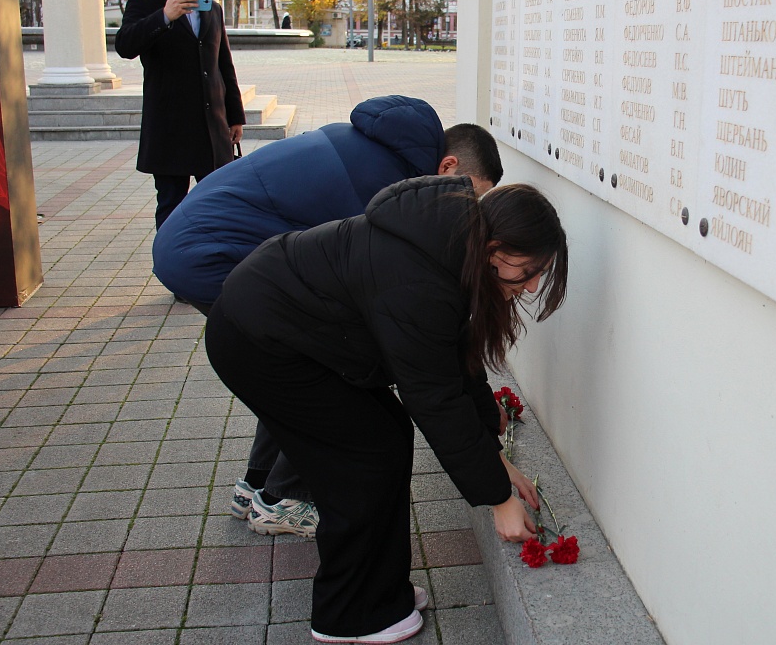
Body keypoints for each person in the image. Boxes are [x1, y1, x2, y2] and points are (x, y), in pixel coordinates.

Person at [205, 177, 568, 643]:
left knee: (386, 436)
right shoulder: (421, 279)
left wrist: (495, 459)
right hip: (257, 341)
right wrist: (498, 499)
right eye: (530, 270)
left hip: (287, 330)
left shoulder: (452, 246)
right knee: (362, 458)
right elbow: (435, 400)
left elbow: (453, 362)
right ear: (496, 248)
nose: (532, 284)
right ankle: (348, 616)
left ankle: (378, 593)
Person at [152, 96, 503, 537]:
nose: (466, 214)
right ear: (448, 166)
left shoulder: (376, 148)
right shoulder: (386, 187)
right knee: (314, 368)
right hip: (210, 256)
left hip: (188, 243)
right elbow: (381, 298)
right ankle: (283, 497)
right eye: (470, 194)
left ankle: (257, 485)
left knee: (287, 359)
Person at [114, 0, 246, 229]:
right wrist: (164, 16)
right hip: (170, 128)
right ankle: (170, 256)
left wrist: (235, 116)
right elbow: (125, 46)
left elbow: (223, 64)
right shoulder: (145, 3)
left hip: (210, 128)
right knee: (171, 206)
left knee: (218, 203)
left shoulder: (211, 8)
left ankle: (212, 254)